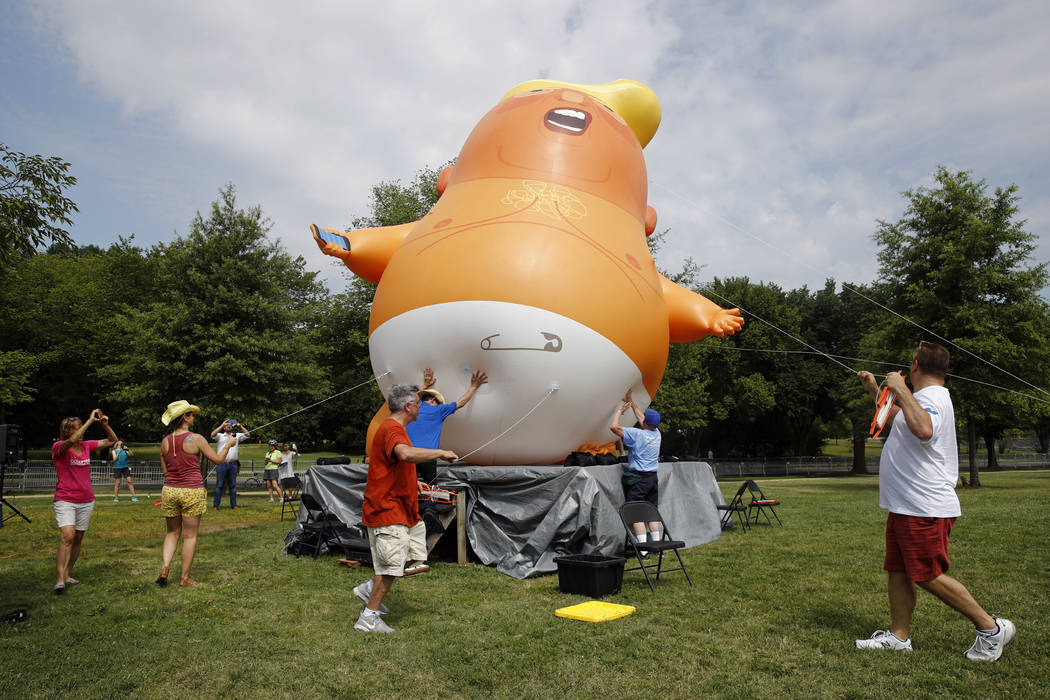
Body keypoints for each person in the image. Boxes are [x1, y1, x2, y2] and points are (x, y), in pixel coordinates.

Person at [855, 341, 1015, 661]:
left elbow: (924, 428)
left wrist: (900, 388)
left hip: (924, 506)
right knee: (898, 570)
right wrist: (875, 390)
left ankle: (990, 628)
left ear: (915, 365)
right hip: (906, 504)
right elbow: (902, 417)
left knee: (927, 573)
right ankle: (899, 636)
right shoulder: (923, 399)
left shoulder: (935, 397)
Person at [353, 384, 458, 633]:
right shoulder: (391, 429)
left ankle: (370, 588)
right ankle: (368, 618)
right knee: (391, 565)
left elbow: (396, 465)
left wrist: (416, 483)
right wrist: (440, 452)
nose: (420, 407)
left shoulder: (399, 429)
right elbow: (404, 455)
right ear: (408, 406)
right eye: (418, 403)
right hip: (387, 509)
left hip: (403, 509)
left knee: (411, 556)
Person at [156, 400, 234, 587]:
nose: (193, 417)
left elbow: (166, 472)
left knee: (172, 532)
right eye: (190, 414)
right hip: (191, 491)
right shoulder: (197, 438)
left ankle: (165, 568)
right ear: (185, 417)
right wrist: (228, 445)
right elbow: (217, 460)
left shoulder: (165, 442)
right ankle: (184, 578)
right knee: (190, 536)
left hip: (169, 491)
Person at [407, 367, 487, 537]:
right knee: (429, 484)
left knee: (411, 482)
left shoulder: (415, 408)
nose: (432, 401)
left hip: (410, 454)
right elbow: (461, 403)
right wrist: (474, 386)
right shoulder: (438, 409)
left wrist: (425, 385)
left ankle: (415, 510)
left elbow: (410, 398)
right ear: (432, 401)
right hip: (427, 455)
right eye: (431, 398)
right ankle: (429, 511)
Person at [52, 409, 119, 594]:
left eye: (81, 427)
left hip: (86, 499)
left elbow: (112, 440)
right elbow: (72, 441)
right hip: (65, 498)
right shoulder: (59, 447)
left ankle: (67, 574)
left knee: (78, 538)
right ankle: (59, 579)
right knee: (68, 536)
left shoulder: (86, 446)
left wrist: (104, 425)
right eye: (76, 428)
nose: (80, 431)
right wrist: (90, 421)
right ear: (67, 431)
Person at [609, 391, 662, 554]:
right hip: (652, 478)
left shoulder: (637, 434)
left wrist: (620, 411)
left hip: (640, 479)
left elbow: (614, 428)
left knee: (636, 511)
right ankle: (657, 546)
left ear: (645, 422)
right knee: (651, 511)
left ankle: (643, 550)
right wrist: (631, 403)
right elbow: (642, 419)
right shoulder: (657, 434)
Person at [210, 419, 250, 510]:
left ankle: (234, 505)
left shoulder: (237, 436)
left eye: (230, 425)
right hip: (222, 464)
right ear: (224, 427)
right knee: (219, 485)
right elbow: (212, 435)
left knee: (232, 486)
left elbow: (248, 435)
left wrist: (240, 426)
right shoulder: (220, 436)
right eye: (226, 425)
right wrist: (221, 424)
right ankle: (216, 506)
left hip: (233, 464)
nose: (228, 426)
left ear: (232, 427)